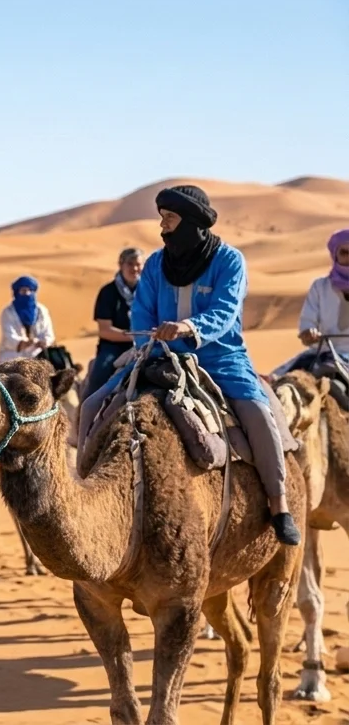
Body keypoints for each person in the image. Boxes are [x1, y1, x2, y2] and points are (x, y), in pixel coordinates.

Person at [76, 185, 300, 546]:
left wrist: (189, 327)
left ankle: (279, 503)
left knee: (258, 412)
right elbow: (142, 310)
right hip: (158, 355)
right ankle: (85, 496)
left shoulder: (229, 261)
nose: (162, 227)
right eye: (162, 218)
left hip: (220, 357)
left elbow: (225, 312)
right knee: (90, 406)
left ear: (192, 221)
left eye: (170, 218)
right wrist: (145, 345)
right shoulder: (154, 264)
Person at [271, 228, 349, 377]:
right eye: (344, 253)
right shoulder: (320, 286)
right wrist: (309, 333)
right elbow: (308, 321)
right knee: (275, 382)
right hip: (322, 352)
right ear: (335, 255)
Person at [83, 247, 145, 398]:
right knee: (100, 375)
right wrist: (135, 336)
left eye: (138, 264)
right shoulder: (108, 292)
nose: (135, 268)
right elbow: (105, 330)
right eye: (130, 264)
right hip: (113, 347)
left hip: (145, 344)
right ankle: (89, 416)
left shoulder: (148, 291)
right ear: (121, 265)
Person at [0, 275, 56, 363]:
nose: (27, 294)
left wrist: (44, 342)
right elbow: (9, 336)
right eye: (23, 291)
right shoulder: (8, 312)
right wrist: (23, 343)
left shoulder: (41, 311)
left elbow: (48, 333)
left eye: (30, 290)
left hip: (39, 355)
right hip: (11, 356)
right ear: (17, 293)